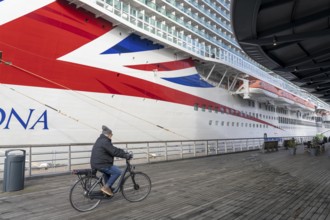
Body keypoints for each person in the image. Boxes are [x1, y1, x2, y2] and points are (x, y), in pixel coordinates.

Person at [90, 125, 131, 196]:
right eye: (111, 134)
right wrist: (125, 155)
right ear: (108, 134)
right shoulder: (105, 141)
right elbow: (113, 151)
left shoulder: (100, 140)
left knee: (107, 173)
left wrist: (122, 152)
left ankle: (108, 189)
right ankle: (106, 188)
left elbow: (112, 149)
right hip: (102, 164)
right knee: (117, 172)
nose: (111, 136)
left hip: (96, 163)